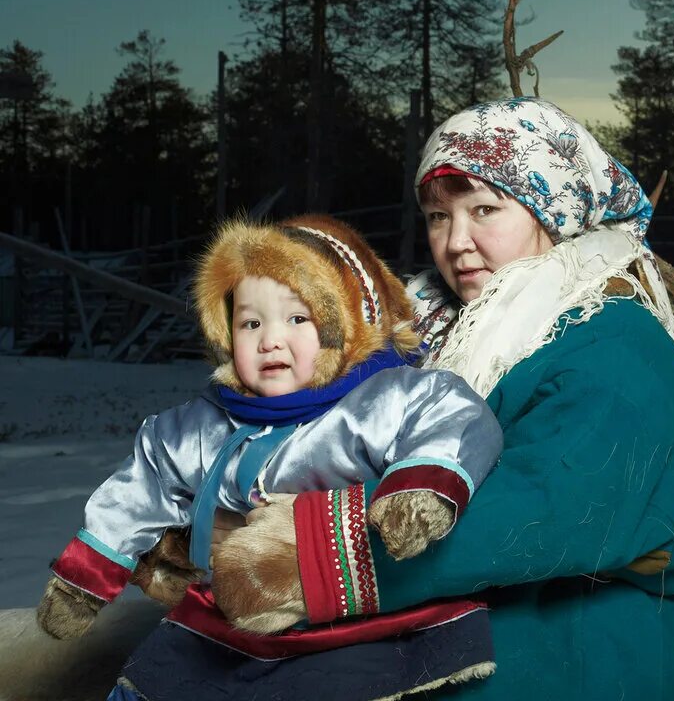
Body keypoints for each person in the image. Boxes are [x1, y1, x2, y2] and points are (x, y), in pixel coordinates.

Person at [212, 97, 674, 700]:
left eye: (485, 210)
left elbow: (549, 504)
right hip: (467, 615)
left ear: (556, 211)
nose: (457, 242)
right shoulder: (441, 332)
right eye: (439, 217)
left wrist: (318, 555)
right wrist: (224, 513)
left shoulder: (609, 337)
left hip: (590, 644)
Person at [38, 214, 504, 698]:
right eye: (250, 322)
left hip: (354, 624)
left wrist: (420, 488)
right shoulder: (200, 425)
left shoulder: (380, 400)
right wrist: (84, 579)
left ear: (348, 327)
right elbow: (142, 486)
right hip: (227, 621)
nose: (269, 339)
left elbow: (455, 417)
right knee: (158, 677)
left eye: (298, 318)